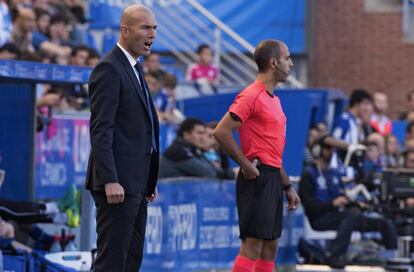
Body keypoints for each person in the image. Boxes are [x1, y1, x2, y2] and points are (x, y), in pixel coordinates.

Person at [214, 40, 300, 272]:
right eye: (288, 58)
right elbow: (221, 131)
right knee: (252, 244)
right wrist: (245, 164)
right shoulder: (251, 95)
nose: (291, 63)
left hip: (272, 176)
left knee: (270, 246)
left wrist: (287, 185)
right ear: (274, 62)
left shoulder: (275, 99)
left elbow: (272, 151)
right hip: (257, 177)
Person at [85, 4, 159, 272]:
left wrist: (148, 178)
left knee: (131, 261)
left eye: (154, 28)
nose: (152, 34)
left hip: (136, 183)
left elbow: (141, 130)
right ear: (125, 31)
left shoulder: (136, 69)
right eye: (146, 28)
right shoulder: (109, 68)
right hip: (116, 184)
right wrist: (110, 179)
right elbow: (101, 129)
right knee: (112, 262)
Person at [299, 139, 398, 268]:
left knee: (385, 223)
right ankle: (334, 255)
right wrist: (333, 204)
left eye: (333, 149)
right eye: (329, 148)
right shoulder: (309, 174)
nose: (332, 152)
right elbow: (310, 208)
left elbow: (343, 197)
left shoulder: (333, 173)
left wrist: (355, 203)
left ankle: (393, 260)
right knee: (352, 214)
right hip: (320, 219)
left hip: (342, 218)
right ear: (319, 150)